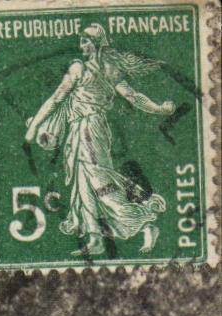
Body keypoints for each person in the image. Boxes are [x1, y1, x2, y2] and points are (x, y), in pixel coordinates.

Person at [25, 24, 176, 258]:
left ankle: (144, 224)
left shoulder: (102, 69)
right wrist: (36, 124)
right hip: (78, 130)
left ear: (97, 43)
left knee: (98, 179)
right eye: (81, 41)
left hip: (90, 129)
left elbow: (133, 97)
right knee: (82, 182)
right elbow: (58, 99)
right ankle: (95, 238)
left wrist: (158, 109)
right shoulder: (83, 68)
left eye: (86, 41)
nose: (81, 46)